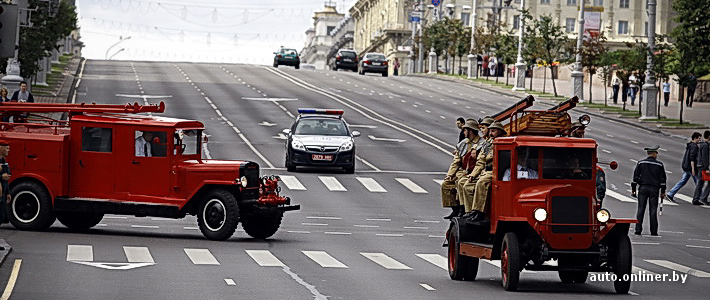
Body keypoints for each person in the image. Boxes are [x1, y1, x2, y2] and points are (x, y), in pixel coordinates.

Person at [465, 121, 506, 222]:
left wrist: (485, 158)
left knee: (481, 183)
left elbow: (490, 158)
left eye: (494, 131)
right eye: (490, 131)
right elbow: (480, 162)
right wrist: (472, 175)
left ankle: (480, 212)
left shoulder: (502, 142)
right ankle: (470, 210)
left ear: (500, 132)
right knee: (466, 185)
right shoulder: (487, 143)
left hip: (494, 171)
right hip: (484, 170)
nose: (491, 133)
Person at [441, 119, 481, 219]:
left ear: (470, 131)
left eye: (465, 130)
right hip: (462, 171)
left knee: (461, 183)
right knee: (446, 184)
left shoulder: (481, 143)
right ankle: (455, 209)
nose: (464, 132)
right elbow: (456, 161)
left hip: (473, 172)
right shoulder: (463, 143)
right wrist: (450, 175)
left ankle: (464, 209)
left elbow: (481, 163)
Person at [631, 145, 667, 236]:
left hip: (643, 188)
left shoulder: (640, 163)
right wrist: (663, 191)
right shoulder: (659, 164)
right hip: (654, 189)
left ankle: (638, 230)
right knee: (653, 210)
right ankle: (653, 231)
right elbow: (663, 180)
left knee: (640, 209)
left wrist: (634, 190)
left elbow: (635, 178)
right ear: (654, 154)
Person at [666, 132, 702, 202]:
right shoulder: (694, 147)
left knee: (683, 181)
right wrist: (693, 170)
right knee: (698, 183)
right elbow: (692, 159)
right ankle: (700, 198)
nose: (700, 140)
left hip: (686, 166)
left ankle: (670, 194)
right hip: (690, 168)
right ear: (695, 138)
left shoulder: (690, 145)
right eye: (699, 139)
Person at [692, 130, 710, 205]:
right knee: (702, 183)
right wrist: (707, 168)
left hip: (700, 166)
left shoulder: (702, 144)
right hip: (703, 167)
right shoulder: (705, 145)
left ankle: (697, 198)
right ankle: (702, 198)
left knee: (700, 183)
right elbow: (705, 158)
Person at [0, 140, 10, 225]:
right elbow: (3, 177)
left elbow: (7, 179)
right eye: (7, 148)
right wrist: (1, 177)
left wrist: (8, 193)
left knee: (1, 216)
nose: (8, 150)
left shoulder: (4, 162)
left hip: (2, 193)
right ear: (0, 148)